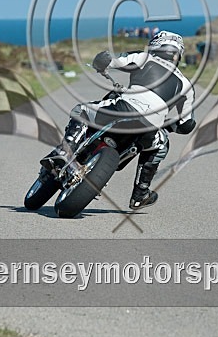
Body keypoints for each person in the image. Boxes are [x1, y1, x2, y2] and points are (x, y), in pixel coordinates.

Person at [41, 31, 196, 209]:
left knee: (81, 110)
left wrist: (100, 62)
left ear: (155, 45)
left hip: (125, 110)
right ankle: (140, 194)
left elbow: (111, 60)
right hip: (150, 127)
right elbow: (186, 125)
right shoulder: (186, 85)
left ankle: (65, 151)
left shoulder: (144, 57)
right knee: (162, 144)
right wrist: (167, 125)